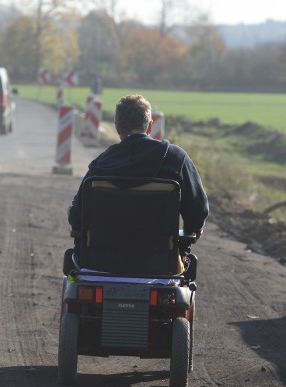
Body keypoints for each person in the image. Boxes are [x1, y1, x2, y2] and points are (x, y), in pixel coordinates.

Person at [68, 94, 209, 262]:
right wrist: (193, 228)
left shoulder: (101, 165)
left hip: (102, 262)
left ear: (117, 128)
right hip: (161, 262)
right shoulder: (175, 159)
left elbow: (77, 218)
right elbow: (198, 211)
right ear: (150, 127)